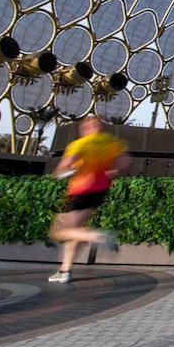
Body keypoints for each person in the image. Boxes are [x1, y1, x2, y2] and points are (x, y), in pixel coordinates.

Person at [48, 116, 127, 283]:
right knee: (76, 232)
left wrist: (65, 172)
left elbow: (63, 168)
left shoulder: (80, 144)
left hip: (80, 191)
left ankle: (99, 236)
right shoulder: (112, 143)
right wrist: (111, 172)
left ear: (84, 128)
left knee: (59, 231)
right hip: (100, 190)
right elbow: (124, 163)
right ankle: (65, 270)